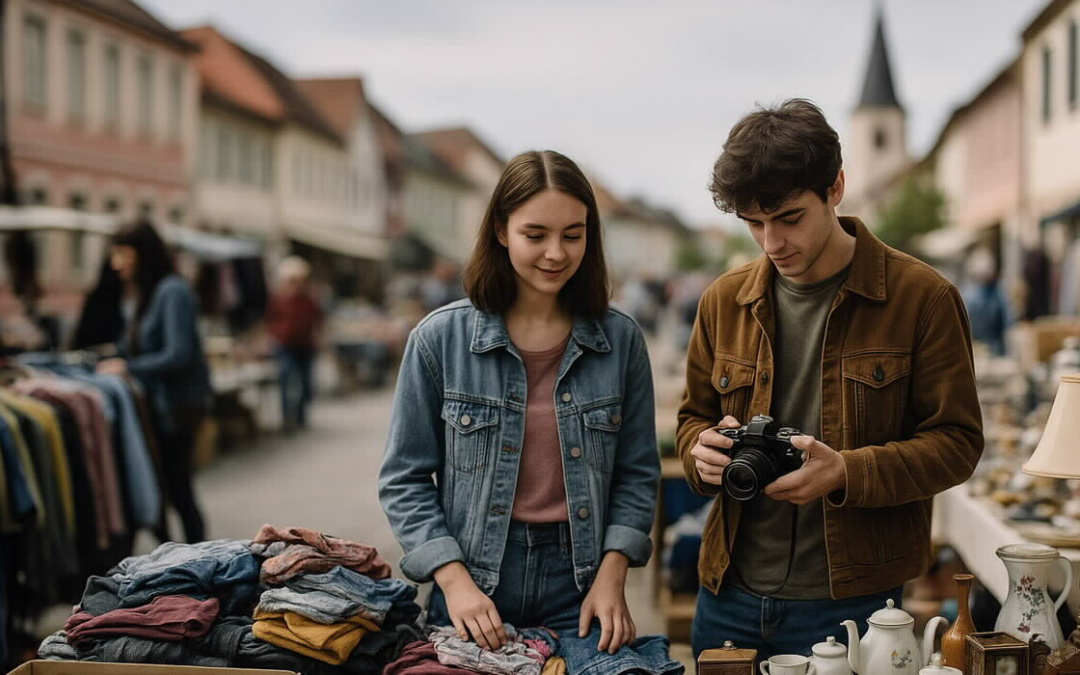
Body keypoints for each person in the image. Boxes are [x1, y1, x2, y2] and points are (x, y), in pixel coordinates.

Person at [677, 99, 984, 661]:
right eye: (753, 223)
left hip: (853, 603)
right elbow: (691, 419)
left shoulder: (923, 298)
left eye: (789, 218)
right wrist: (703, 452)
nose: (771, 243)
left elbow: (958, 445)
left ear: (836, 187)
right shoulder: (722, 300)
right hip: (727, 591)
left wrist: (848, 471)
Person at [379, 151, 673, 672]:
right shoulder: (438, 340)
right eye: (535, 235)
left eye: (573, 235)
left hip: (581, 583)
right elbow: (404, 478)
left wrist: (613, 573)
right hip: (473, 579)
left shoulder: (621, 340)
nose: (556, 253)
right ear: (500, 229)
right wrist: (454, 583)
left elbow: (637, 472)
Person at [97, 220, 212, 544]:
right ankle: (175, 559)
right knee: (162, 489)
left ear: (141, 254)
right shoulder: (145, 294)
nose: (115, 263)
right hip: (159, 406)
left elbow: (179, 353)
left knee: (178, 490)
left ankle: (198, 557)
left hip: (176, 408)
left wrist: (128, 367)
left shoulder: (172, 291)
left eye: (122, 254)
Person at [265, 255, 323, 431]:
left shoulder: (310, 300)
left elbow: (318, 321)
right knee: (285, 379)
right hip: (285, 346)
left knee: (305, 384)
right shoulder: (279, 299)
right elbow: (270, 320)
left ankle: (300, 415)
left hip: (305, 346)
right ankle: (286, 417)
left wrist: (319, 338)